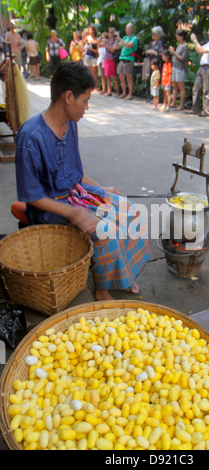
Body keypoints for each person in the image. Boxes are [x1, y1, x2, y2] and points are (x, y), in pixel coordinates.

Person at [15, 61, 150, 302]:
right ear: (68, 97)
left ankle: (123, 275)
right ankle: (102, 288)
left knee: (130, 211)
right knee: (105, 230)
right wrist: (74, 214)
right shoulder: (31, 136)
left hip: (76, 193)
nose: (87, 107)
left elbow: (76, 173)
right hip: (49, 207)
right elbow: (31, 195)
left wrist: (101, 188)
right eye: (85, 100)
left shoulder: (70, 124)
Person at [187, 24, 209, 117]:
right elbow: (198, 50)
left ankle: (206, 111)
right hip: (202, 67)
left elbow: (202, 50)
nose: (208, 32)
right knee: (196, 88)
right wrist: (195, 43)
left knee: (207, 90)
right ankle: (195, 109)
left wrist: (195, 40)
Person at [115, 24, 138, 100]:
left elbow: (128, 45)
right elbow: (118, 47)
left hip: (129, 59)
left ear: (131, 29)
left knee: (129, 77)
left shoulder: (134, 38)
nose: (126, 30)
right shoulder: (125, 38)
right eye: (125, 29)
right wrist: (116, 39)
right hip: (121, 58)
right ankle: (124, 93)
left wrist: (120, 39)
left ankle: (130, 94)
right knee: (121, 77)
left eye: (127, 29)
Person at [169, 29, 189, 110]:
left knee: (181, 87)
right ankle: (173, 102)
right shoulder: (179, 45)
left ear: (182, 37)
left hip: (180, 68)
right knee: (175, 86)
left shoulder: (185, 46)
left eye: (178, 37)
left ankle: (181, 104)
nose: (177, 39)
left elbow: (183, 58)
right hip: (174, 66)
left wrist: (174, 53)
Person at [143, 26, 164, 103]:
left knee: (155, 81)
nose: (152, 35)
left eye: (154, 34)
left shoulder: (160, 43)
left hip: (156, 65)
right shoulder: (152, 43)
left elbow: (161, 54)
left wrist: (153, 52)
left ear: (158, 34)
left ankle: (154, 98)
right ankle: (149, 97)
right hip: (150, 64)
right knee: (148, 80)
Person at [103, 27, 120, 97]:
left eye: (112, 33)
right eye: (109, 32)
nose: (110, 34)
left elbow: (113, 50)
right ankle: (109, 91)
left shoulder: (115, 41)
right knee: (107, 76)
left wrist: (107, 45)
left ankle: (117, 91)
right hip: (106, 58)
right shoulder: (106, 40)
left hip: (112, 59)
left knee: (114, 76)